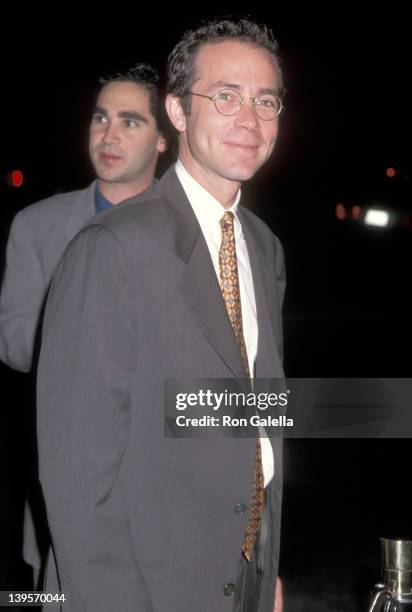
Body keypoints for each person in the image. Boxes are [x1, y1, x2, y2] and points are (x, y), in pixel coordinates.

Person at [37, 18, 285, 612]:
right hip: (145, 586)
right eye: (225, 97)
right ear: (177, 112)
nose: (249, 120)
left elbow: (255, 410)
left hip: (241, 572)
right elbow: (77, 477)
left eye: (266, 100)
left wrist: (263, 564)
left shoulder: (263, 245)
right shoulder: (113, 247)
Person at [0, 62, 167, 586]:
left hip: (170, 492)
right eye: (100, 118)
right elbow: (14, 343)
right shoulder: (38, 225)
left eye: (130, 121)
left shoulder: (192, 231)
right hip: (70, 490)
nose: (108, 135)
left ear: (164, 140)